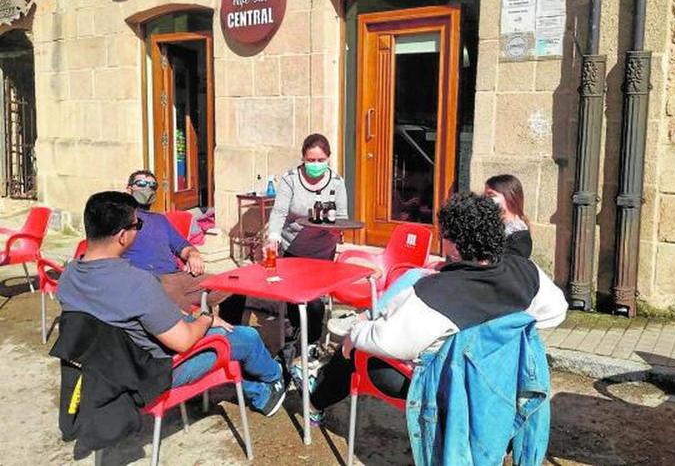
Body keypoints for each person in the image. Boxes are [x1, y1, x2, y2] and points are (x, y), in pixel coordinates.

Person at [298, 192, 567, 425]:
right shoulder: (525, 270)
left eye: (444, 235)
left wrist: (355, 334)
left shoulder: (436, 294)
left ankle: (315, 402)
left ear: (454, 244)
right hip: (502, 382)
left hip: (446, 385)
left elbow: (391, 342)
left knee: (355, 348)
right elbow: (557, 310)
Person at [57, 191, 286, 416]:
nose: (139, 230)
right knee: (247, 338)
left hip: (106, 370)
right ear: (122, 236)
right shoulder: (137, 283)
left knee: (222, 334)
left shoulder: (68, 277)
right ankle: (275, 379)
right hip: (155, 371)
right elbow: (184, 341)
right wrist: (206, 318)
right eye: (137, 226)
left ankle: (256, 388)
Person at [123, 170, 245, 323]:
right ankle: (207, 334)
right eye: (141, 184)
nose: (147, 188)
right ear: (129, 189)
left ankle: (231, 334)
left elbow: (183, 246)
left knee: (235, 289)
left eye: (152, 185)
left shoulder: (160, 220)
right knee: (187, 318)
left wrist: (193, 254)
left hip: (180, 276)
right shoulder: (121, 218)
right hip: (152, 280)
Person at [266, 133, 348, 346]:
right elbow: (279, 212)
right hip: (293, 247)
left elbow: (342, 220)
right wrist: (273, 236)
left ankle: (311, 343)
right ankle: (295, 335)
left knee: (314, 301)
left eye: (320, 160)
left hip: (322, 253)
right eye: (310, 160)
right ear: (303, 158)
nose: (315, 165)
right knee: (294, 296)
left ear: (328, 158)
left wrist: (336, 232)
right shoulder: (290, 179)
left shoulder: (337, 183)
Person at [484, 174, 533, 258]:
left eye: (491, 195)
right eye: (485, 195)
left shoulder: (520, 237)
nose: (485, 200)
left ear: (509, 197)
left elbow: (510, 267)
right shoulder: (490, 224)